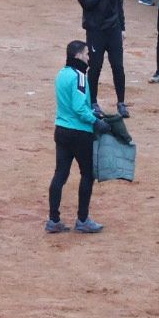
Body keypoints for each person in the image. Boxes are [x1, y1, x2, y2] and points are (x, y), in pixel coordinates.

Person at [46, 40, 104, 234]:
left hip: (61, 130)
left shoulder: (61, 75)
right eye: (87, 54)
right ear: (79, 56)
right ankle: (82, 219)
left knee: (60, 174)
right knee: (88, 174)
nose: (89, 57)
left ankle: (53, 219)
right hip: (79, 133)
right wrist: (95, 121)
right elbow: (79, 108)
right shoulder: (79, 76)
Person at [77, 0, 129, 115]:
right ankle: (93, 102)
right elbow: (87, 4)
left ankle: (121, 103)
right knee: (95, 67)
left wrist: (122, 27)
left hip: (113, 30)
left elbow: (119, 5)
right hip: (95, 31)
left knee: (118, 67)